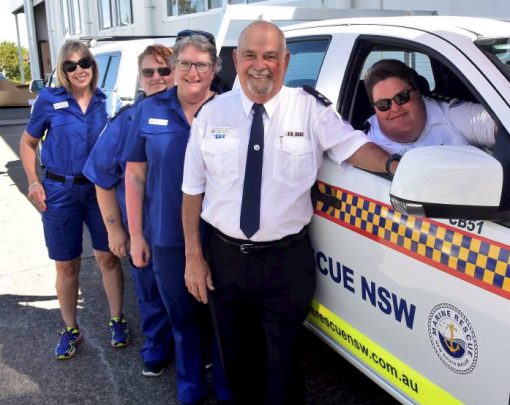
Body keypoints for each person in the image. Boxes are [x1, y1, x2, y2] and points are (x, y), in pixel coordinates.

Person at [181, 20, 396, 405]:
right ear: (236, 59)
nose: (260, 65)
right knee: (236, 363)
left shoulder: (309, 110)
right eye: (250, 55)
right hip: (224, 260)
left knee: (284, 366)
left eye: (270, 56)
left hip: (285, 262)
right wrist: (193, 257)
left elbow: (353, 147)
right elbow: (191, 191)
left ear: (286, 60)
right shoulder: (212, 115)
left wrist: (396, 168)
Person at [122, 31, 230, 405]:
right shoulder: (148, 110)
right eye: (184, 63)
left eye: (202, 64)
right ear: (174, 67)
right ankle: (190, 385)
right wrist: (136, 235)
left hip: (222, 236)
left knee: (220, 318)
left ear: (215, 67)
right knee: (181, 317)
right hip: (166, 235)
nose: (193, 72)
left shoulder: (233, 109)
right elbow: (134, 175)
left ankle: (226, 385)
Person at [19, 40, 128, 360]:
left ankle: (117, 319)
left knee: (108, 257)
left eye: (84, 63)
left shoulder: (107, 101)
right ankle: (70, 329)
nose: (79, 69)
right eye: (70, 65)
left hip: (99, 192)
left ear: (93, 66)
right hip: (59, 191)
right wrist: (34, 183)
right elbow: (27, 143)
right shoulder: (49, 100)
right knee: (67, 264)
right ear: (62, 71)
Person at [83, 45, 175, 377]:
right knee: (150, 292)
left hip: (184, 227)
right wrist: (115, 229)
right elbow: (102, 178)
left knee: (191, 292)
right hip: (144, 228)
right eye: (149, 72)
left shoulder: (197, 115)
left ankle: (196, 348)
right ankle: (156, 347)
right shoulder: (125, 121)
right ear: (140, 77)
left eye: (164, 70)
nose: (157, 78)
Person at [363, 58, 497, 155]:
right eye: (383, 104)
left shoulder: (449, 114)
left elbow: (500, 123)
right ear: (374, 108)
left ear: (418, 92)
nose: (395, 108)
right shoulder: (366, 142)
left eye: (402, 97)